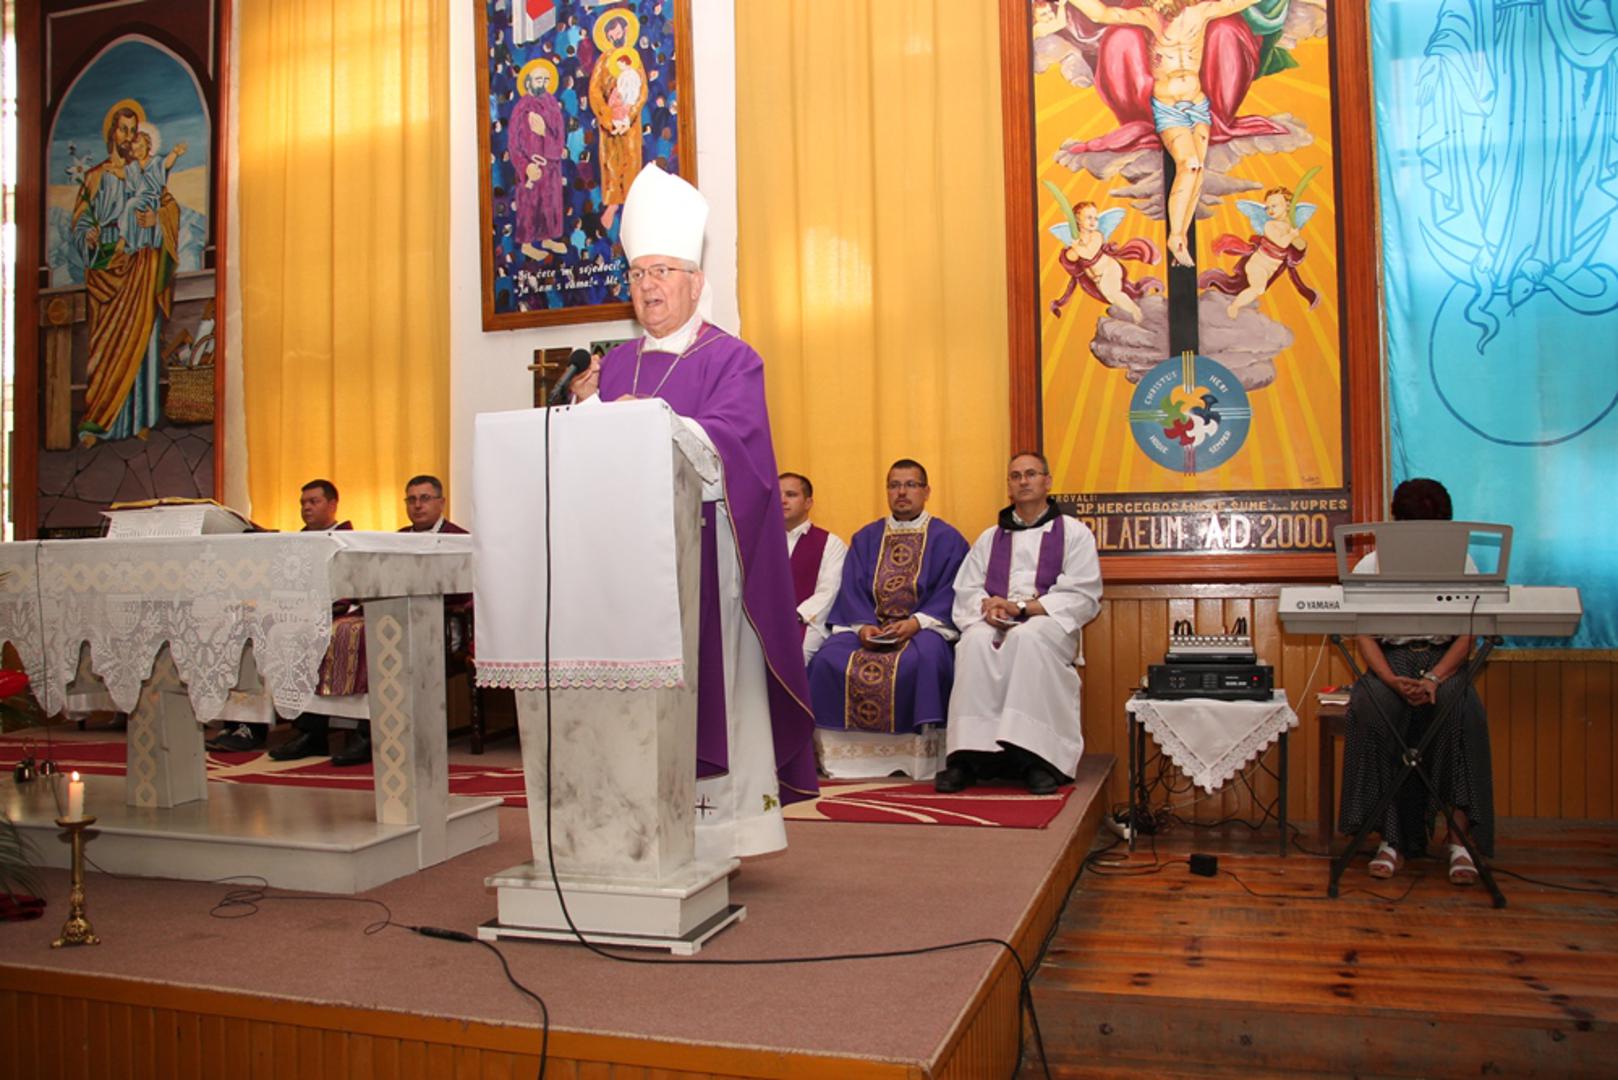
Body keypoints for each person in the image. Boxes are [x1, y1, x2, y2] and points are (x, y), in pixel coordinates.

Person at [567, 164, 818, 858]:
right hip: (623, 573)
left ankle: (718, 831)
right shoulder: (613, 365)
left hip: (704, 559)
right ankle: (632, 825)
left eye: (664, 271)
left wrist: (647, 420)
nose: (649, 285)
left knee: (714, 694)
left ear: (695, 282)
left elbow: (735, 446)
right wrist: (585, 411)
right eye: (638, 273)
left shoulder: (732, 358)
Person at [1340, 478, 1493, 885]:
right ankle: (1390, 839)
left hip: (1445, 662)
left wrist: (1436, 677)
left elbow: (1468, 636)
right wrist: (1391, 680)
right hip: (1390, 661)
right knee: (1370, 709)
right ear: (1398, 524)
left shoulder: (1463, 564)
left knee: (1463, 712)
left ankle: (1459, 840)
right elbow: (1364, 636)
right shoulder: (1370, 565)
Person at [937, 452, 1102, 795]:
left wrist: (1022, 608)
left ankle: (1036, 760)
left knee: (1027, 639)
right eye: (1015, 476)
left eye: (1031, 474)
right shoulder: (989, 538)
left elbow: (1082, 594)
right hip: (997, 621)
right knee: (974, 642)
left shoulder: (1074, 534)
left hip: (1048, 622)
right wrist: (987, 607)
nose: (1023, 481)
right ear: (1009, 486)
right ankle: (968, 758)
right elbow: (967, 589)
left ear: (1047, 481)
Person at [1066, 0, 1270, 267]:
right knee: (1189, 163)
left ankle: (1180, 237)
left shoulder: (1200, 13)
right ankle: (1175, 236)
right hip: (1168, 107)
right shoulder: (1148, 18)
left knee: (1197, 170)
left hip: (1197, 103)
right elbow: (1102, 13)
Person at [806, 460, 970, 780]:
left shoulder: (947, 539)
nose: (902, 492)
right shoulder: (866, 537)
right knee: (828, 659)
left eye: (911, 485)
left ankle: (919, 760)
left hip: (922, 627)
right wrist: (863, 625)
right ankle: (844, 760)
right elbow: (852, 587)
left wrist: (916, 623)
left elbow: (952, 589)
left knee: (925, 659)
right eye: (894, 485)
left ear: (926, 491)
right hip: (869, 625)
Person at [207, 479, 353, 752]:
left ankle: (265, 727)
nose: (306, 508)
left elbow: (346, 590)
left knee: (283, 636)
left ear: (333, 504)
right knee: (237, 629)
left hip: (323, 614)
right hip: (287, 610)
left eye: (314, 501)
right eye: (303, 503)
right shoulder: (293, 543)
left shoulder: (346, 542)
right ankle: (239, 720)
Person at [71, 99, 182, 444]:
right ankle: (98, 420)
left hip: (141, 268)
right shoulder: (95, 177)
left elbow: (169, 207)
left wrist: (156, 220)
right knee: (105, 347)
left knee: (141, 343)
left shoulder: (144, 173)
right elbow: (80, 219)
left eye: (133, 131)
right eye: (123, 129)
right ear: (112, 132)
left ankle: (140, 419)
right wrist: (87, 234)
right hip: (107, 268)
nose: (128, 137)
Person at [780, 472, 848, 665]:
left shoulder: (830, 543)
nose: (782, 501)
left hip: (807, 621)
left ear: (808, 503)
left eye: (791, 495)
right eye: (777, 495)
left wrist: (794, 616)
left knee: (793, 657)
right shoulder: (759, 541)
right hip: (763, 622)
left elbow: (829, 591)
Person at [587, 10, 646, 230]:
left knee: (631, 160)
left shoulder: (634, 60)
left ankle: (632, 207)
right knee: (611, 163)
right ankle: (612, 206)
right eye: (611, 34)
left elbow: (642, 91)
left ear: (625, 30)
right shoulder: (603, 61)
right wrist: (608, 117)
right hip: (610, 124)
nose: (615, 36)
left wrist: (629, 115)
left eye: (618, 32)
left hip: (630, 125)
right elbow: (594, 92)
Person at [509, 60, 568, 262]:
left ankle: (547, 239)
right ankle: (527, 244)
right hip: (530, 168)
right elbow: (514, 144)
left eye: (545, 79)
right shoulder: (521, 108)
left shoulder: (552, 105)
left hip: (550, 166)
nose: (542, 83)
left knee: (550, 204)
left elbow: (559, 140)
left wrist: (544, 133)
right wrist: (526, 167)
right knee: (529, 205)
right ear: (528, 82)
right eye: (538, 79)